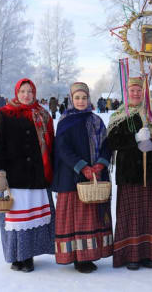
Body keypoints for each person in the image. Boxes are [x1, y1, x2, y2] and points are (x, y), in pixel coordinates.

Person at [107, 76, 152, 270]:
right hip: (130, 174)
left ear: (144, 93)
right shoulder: (120, 115)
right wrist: (134, 138)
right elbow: (113, 141)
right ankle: (132, 255)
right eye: (132, 91)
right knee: (132, 215)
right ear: (127, 93)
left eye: (139, 90)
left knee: (151, 214)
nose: (136, 94)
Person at [0, 78, 55, 272]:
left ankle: (28, 257)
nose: (26, 95)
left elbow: (51, 144)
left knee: (32, 218)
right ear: (16, 93)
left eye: (29, 91)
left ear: (34, 93)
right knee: (15, 220)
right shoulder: (5, 114)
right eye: (23, 91)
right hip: (15, 176)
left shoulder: (43, 115)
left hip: (37, 176)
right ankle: (15, 257)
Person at [52, 82, 113, 273]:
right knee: (75, 217)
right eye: (77, 97)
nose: (80, 101)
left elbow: (106, 144)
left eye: (84, 97)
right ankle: (77, 257)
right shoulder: (64, 121)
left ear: (89, 99)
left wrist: (101, 163)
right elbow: (63, 149)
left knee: (91, 216)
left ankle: (90, 255)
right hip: (72, 177)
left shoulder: (96, 120)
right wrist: (82, 167)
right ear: (71, 99)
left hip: (95, 175)